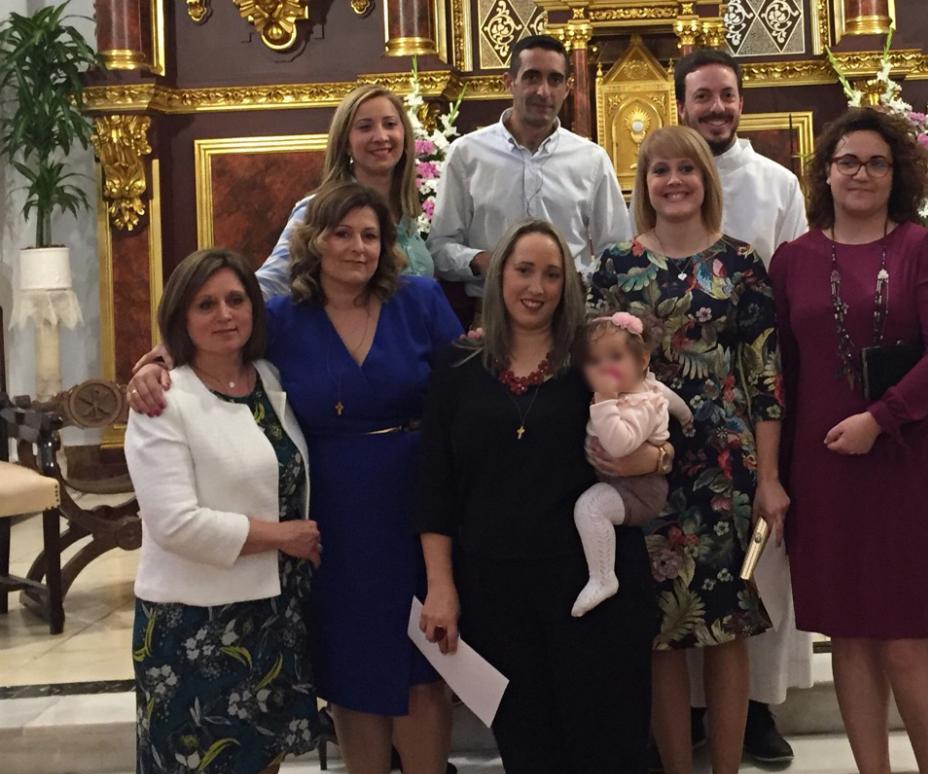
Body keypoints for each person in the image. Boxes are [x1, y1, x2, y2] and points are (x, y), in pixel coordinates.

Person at [127, 183, 464, 774]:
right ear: (314, 241)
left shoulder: (422, 300)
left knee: (420, 680)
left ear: (389, 242)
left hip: (415, 503)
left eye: (370, 234)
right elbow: (210, 345)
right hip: (325, 519)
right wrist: (150, 365)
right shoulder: (280, 316)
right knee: (349, 678)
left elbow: (467, 389)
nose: (357, 247)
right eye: (340, 233)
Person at [417, 219, 666, 774]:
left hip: (597, 594)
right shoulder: (458, 367)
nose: (536, 286)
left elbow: (658, 433)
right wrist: (441, 584)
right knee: (536, 767)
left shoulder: (594, 360)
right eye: (523, 270)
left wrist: (652, 463)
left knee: (612, 762)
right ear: (498, 279)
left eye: (551, 274)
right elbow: (435, 487)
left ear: (570, 285)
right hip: (498, 598)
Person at [770, 106, 928, 774]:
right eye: (847, 161)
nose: (860, 174)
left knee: (903, 637)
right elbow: (781, 375)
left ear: (900, 175)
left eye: (876, 163)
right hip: (823, 470)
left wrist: (879, 417)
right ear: (824, 172)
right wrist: (776, 475)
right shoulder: (791, 258)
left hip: (904, 462)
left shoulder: (924, 249)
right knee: (849, 640)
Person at [590, 125, 787, 774]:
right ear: (644, 180)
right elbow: (602, 370)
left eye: (686, 169)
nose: (674, 180)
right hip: (645, 466)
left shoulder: (740, 262)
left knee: (725, 631)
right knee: (662, 637)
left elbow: (765, 377)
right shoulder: (619, 266)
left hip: (724, 466)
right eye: (660, 170)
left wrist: (769, 476)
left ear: (706, 177)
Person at [126, 249, 321, 774]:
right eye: (205, 304)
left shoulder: (268, 378)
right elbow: (175, 522)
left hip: (268, 615)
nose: (224, 314)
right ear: (180, 317)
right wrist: (280, 535)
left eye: (235, 299)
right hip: (191, 625)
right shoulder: (162, 399)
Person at [673, 46, 810, 767]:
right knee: (685, 563)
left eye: (726, 95)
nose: (717, 108)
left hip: (755, 389)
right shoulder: (664, 177)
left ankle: (759, 708)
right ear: (682, 105)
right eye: (703, 97)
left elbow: (788, 295)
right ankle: (695, 711)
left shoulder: (776, 182)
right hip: (678, 405)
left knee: (762, 558)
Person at [428, 34, 630, 297]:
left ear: (568, 88)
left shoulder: (591, 159)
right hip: (490, 312)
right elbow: (440, 247)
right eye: (531, 77)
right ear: (509, 82)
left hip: (569, 312)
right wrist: (483, 261)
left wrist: (575, 277)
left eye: (554, 79)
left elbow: (617, 250)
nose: (543, 91)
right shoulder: (467, 154)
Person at [257, 85, 433, 298]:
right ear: (346, 143)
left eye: (390, 124)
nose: (381, 136)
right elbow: (269, 284)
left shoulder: (407, 215)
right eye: (365, 127)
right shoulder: (316, 209)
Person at [570, 312, 692, 617]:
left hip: (637, 489)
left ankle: (602, 577)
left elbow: (620, 445)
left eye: (615, 357)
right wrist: (685, 417)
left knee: (589, 508)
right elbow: (673, 400)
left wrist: (604, 404)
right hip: (618, 481)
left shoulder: (637, 405)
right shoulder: (650, 388)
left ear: (641, 360)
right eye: (595, 362)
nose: (605, 368)